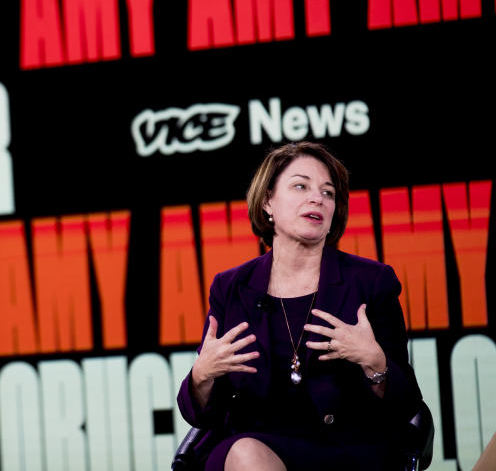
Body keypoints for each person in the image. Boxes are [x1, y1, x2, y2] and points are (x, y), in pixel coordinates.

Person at [176, 142, 422, 471]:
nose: (317, 198)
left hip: (350, 450)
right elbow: (201, 413)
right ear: (267, 202)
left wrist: (374, 363)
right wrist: (201, 377)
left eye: (328, 192)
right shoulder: (231, 287)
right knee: (246, 453)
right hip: (257, 445)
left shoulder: (371, 281)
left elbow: (405, 405)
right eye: (300, 186)